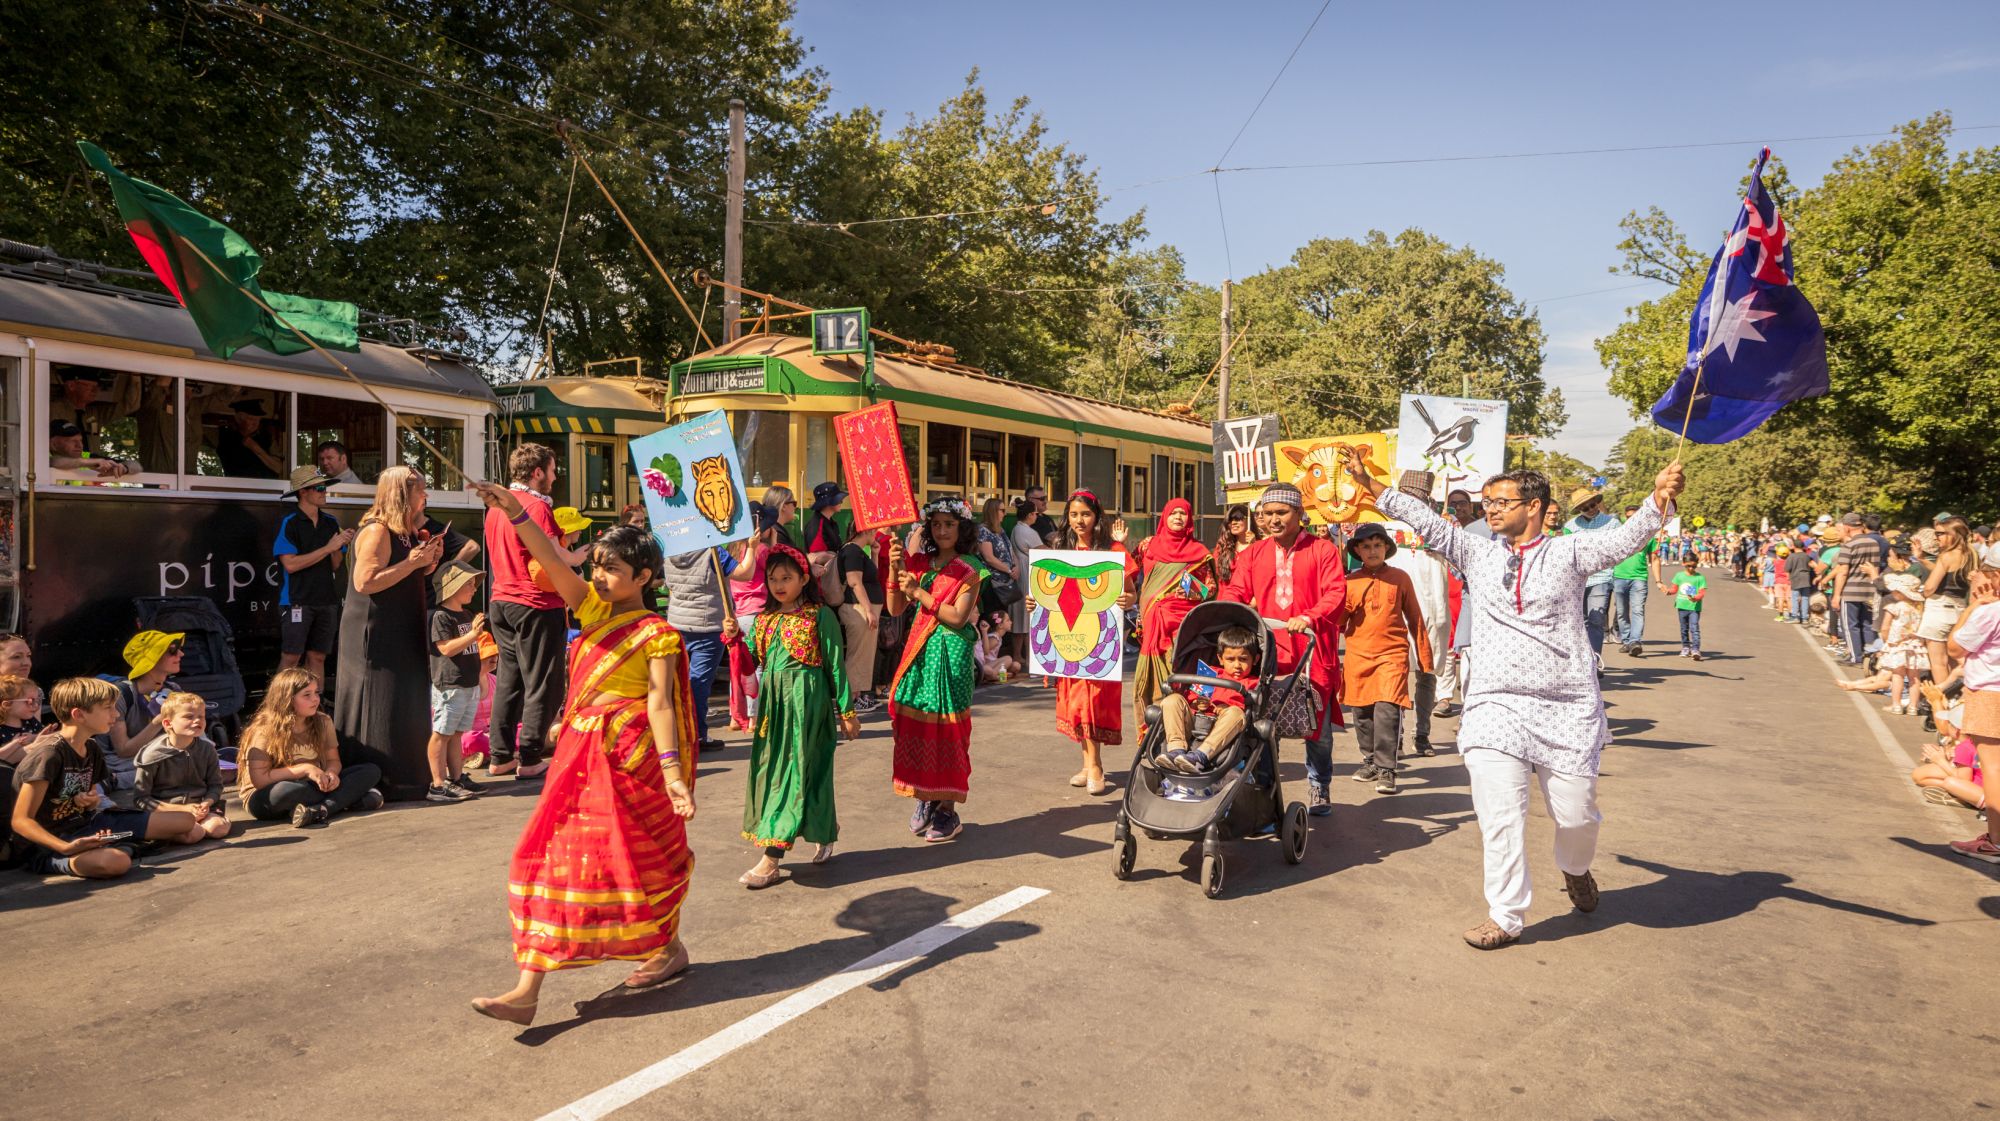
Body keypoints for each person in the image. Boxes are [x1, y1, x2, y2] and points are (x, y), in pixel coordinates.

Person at [1350, 446, 1683, 949]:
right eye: (1487, 502)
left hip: (1566, 704)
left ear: (1534, 506)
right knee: (1499, 811)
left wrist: (1658, 501)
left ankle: (1575, 869)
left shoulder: (1570, 552)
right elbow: (1430, 523)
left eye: (1502, 501)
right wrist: (1375, 488)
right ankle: (1505, 914)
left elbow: (1624, 540)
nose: (1491, 509)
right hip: (1494, 704)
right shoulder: (1477, 552)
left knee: (1575, 815)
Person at [468, 487, 698, 1024]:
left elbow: (662, 703)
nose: (597, 576)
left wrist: (673, 774)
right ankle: (527, 987)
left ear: (644, 577)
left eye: (611, 568)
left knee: (638, 861)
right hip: (579, 757)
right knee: (545, 855)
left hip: (631, 760)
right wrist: (515, 512)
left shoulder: (658, 634)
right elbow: (549, 557)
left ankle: (668, 947)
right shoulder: (591, 609)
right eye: (595, 565)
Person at [723, 545, 858, 887]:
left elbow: (835, 666)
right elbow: (748, 664)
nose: (779, 584)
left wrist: (847, 711)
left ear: (803, 579)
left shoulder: (819, 615)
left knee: (797, 772)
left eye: (787, 577)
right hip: (774, 709)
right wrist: (734, 640)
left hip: (808, 705)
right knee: (782, 773)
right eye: (772, 579)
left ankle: (771, 858)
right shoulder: (764, 620)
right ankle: (824, 828)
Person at [1220, 482, 1346, 815]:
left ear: (1299, 514)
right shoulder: (1254, 554)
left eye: (1281, 513)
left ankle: (1319, 785)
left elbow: (1335, 593)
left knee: (1315, 727)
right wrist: (1230, 615)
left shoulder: (1323, 550)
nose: (1273, 520)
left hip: (1311, 649)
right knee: (1262, 722)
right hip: (1269, 650)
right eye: (1267, 514)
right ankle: (1265, 788)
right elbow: (1235, 590)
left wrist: (1310, 616)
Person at [10, 678, 205, 878]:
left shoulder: (91, 748)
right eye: (108, 708)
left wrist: (90, 800)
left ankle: (120, 844)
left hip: (89, 825)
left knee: (186, 822)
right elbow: (21, 820)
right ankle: (115, 849)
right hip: (51, 841)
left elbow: (93, 799)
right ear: (79, 715)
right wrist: (66, 847)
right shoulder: (49, 755)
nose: (116, 714)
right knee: (116, 862)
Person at [333, 466, 447, 801]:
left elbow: (406, 570)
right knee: (381, 697)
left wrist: (429, 562)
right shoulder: (376, 530)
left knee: (405, 696)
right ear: (403, 493)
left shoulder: (407, 528)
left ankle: (410, 777)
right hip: (376, 630)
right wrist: (412, 564)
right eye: (421, 490)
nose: (426, 496)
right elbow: (365, 582)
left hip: (402, 622)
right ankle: (380, 779)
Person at [885, 498, 983, 843]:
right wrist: (895, 571)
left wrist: (918, 592)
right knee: (916, 723)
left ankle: (947, 811)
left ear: (962, 528)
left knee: (948, 732)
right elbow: (896, 607)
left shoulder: (969, 568)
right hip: (920, 653)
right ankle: (925, 797)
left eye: (949, 524)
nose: (942, 530)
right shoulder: (920, 564)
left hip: (951, 654)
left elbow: (957, 617)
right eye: (937, 524)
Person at [483, 444, 566, 780]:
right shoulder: (536, 508)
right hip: (535, 602)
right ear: (537, 473)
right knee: (543, 682)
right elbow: (552, 557)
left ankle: (500, 755)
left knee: (509, 679)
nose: (555, 476)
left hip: (501, 600)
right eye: (552, 469)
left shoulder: (495, 509)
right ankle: (530, 755)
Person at [1047, 490, 1136, 796]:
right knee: (1075, 703)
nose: (1079, 521)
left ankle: (1096, 766)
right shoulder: (1060, 550)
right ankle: (1088, 764)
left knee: (1091, 702)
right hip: (1068, 637)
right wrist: (1036, 605)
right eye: (1073, 515)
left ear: (1097, 516)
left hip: (1101, 641)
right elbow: (1049, 596)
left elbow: (1131, 592)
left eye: (1085, 514)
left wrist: (1127, 599)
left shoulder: (1113, 551)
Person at [1342, 522, 1433, 795]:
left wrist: (1425, 659)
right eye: (1366, 546)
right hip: (1358, 654)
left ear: (1386, 548)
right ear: (1357, 550)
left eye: (1377, 545)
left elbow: (1415, 617)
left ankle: (1386, 769)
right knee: (1362, 711)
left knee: (1388, 709)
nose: (1372, 551)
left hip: (1392, 654)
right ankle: (1369, 759)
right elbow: (1336, 621)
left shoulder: (1400, 577)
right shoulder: (1349, 581)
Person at [245, 670, 385, 827]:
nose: (315, 699)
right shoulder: (264, 729)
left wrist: (332, 775)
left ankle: (321, 810)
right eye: (307, 695)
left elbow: (333, 760)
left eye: (316, 693)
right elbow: (260, 780)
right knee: (285, 790)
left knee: (371, 770)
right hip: (270, 794)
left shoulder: (323, 721)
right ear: (287, 700)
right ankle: (347, 800)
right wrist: (305, 769)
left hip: (314, 784)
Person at [1129, 497, 1215, 733]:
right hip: (1151, 625)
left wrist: (1192, 590)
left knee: (1178, 678)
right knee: (1144, 682)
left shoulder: (1198, 552)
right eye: (1173, 513)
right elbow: (1128, 570)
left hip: (1181, 628)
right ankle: (1151, 733)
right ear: (1164, 517)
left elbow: (1211, 590)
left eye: (1183, 514)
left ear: (1189, 519)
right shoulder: (1148, 545)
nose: (1178, 517)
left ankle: (1179, 730)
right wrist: (1118, 545)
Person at [1944, 554, 2000, 864]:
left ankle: (1996, 840)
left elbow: (1955, 648)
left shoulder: (1990, 612)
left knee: (1992, 765)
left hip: (1990, 692)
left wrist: (1973, 607)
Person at [275, 466, 354, 678]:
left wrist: (339, 546)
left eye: (325, 487)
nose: (324, 492)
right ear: (303, 492)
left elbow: (335, 565)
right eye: (318, 488)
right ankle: (278, 706)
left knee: (318, 657)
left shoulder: (331, 522)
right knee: (291, 656)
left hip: (326, 600)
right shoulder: (289, 522)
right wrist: (329, 547)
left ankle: (314, 706)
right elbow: (290, 564)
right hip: (297, 600)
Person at [1152, 626, 1261, 774]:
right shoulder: (1209, 674)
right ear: (1220, 659)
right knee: (1172, 700)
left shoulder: (1253, 683)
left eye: (1243, 659)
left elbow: (1250, 709)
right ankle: (1176, 749)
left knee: (1236, 713)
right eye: (1230, 659)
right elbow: (1193, 694)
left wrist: (1227, 708)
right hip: (1195, 722)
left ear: (1255, 660)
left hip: (1223, 730)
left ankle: (1201, 756)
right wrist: (1196, 702)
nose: (1237, 665)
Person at [660, 544, 736, 752]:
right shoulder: (712, 551)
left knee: (678, 681)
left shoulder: (668, 548)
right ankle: (697, 735)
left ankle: (674, 734)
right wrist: (753, 548)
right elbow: (744, 573)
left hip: (677, 622)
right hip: (708, 624)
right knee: (699, 683)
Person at [104, 629, 186, 808]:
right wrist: (158, 722)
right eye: (172, 650)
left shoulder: (174, 689)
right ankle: (115, 781)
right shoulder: (121, 694)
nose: (181, 653)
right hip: (121, 763)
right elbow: (123, 750)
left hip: (158, 756)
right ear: (151, 659)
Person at [427, 563, 488, 803]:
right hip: (450, 685)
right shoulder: (442, 616)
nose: (474, 589)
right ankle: (438, 784)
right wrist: (473, 634)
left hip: (468, 683)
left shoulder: (465, 614)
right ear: (453, 589)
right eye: (469, 585)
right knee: (442, 733)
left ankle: (456, 776)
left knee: (456, 734)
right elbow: (446, 649)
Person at [133, 692, 230, 840]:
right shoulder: (151, 755)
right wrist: (182, 809)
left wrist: (206, 803)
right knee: (194, 833)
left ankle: (217, 819)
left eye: (201, 716)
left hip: (200, 808)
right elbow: (141, 799)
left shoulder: (207, 749)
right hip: (167, 811)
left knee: (217, 829)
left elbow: (215, 785)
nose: (197, 721)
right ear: (167, 723)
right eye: (189, 717)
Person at [727, 506, 778, 732]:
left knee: (737, 667)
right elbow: (775, 572)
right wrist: (773, 545)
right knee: (756, 667)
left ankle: (734, 717)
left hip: (736, 614)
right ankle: (753, 717)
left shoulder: (731, 548)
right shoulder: (762, 550)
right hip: (758, 612)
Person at [1920, 520, 1977, 689]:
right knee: (1954, 658)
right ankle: (1956, 698)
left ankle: (1941, 702)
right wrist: (1922, 559)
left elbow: (1930, 587)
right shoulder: (1971, 554)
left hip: (1939, 608)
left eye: (1939, 533)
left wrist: (1922, 592)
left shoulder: (1946, 555)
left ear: (1953, 535)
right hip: (1959, 609)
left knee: (1938, 662)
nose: (1936, 537)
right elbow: (1950, 575)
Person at [1565, 489, 1619, 663]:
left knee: (1596, 620)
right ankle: (1580, 662)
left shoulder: (1612, 523)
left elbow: (1619, 547)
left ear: (1597, 502)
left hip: (1601, 577)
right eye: (1584, 507)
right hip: (1577, 579)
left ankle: (1594, 663)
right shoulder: (1570, 527)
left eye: (1592, 504)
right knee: (1578, 622)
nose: (1590, 509)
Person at [836, 520, 884, 712]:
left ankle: (856, 696)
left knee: (863, 653)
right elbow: (855, 582)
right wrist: (869, 610)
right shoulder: (852, 551)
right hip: (858, 609)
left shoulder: (857, 551)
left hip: (863, 608)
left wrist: (875, 554)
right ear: (867, 529)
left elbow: (870, 578)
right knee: (858, 654)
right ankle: (851, 699)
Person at [1831, 512, 1886, 667]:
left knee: (1850, 625)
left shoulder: (1849, 545)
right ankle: (1871, 656)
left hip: (1850, 590)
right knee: (1868, 624)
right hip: (1869, 590)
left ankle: (1856, 657)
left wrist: (1836, 595)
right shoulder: (1873, 543)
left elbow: (1843, 571)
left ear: (1847, 527)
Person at [1608, 506, 1659, 656]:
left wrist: (1658, 581)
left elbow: (1655, 559)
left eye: (1634, 516)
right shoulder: (1618, 534)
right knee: (1622, 612)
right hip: (1619, 577)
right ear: (1625, 517)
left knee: (1638, 610)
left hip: (1639, 578)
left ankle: (1635, 641)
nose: (1631, 519)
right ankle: (1626, 640)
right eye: (1628, 516)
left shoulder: (1649, 535)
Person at [974, 496, 1024, 624]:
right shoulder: (983, 531)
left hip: (1005, 582)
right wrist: (1008, 570)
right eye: (1002, 510)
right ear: (993, 511)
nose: (1005, 513)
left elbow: (1011, 551)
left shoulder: (1000, 530)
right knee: (992, 617)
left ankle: (998, 642)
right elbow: (989, 558)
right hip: (992, 583)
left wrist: (1016, 567)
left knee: (1003, 617)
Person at [48, 418, 136, 480]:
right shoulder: (41, 458)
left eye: (80, 440)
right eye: (72, 441)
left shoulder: (88, 457)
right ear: (53, 444)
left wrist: (125, 468)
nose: (79, 445)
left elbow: (137, 465)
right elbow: (54, 461)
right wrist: (86, 462)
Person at [215, 399, 283, 478]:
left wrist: (256, 448)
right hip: (238, 487)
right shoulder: (226, 438)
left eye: (258, 420)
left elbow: (279, 468)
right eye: (251, 419)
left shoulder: (267, 437)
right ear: (239, 419)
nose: (255, 423)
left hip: (267, 487)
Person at [1668, 557, 1708, 660]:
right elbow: (1674, 589)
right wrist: (1668, 591)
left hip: (1694, 607)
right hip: (1682, 606)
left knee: (1694, 628)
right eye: (1688, 566)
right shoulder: (1679, 576)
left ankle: (1695, 649)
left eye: (1694, 566)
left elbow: (1702, 592)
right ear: (1684, 564)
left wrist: (1696, 598)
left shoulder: (1700, 578)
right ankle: (1685, 647)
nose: (1691, 568)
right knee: (1684, 628)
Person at [1783, 538, 1817, 624]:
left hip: (1795, 577)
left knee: (1795, 598)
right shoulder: (1806, 556)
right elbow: (1813, 565)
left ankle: (1795, 616)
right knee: (1805, 598)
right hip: (1806, 577)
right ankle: (1804, 617)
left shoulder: (1792, 556)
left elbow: (1787, 569)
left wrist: (1788, 579)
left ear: (1794, 546)